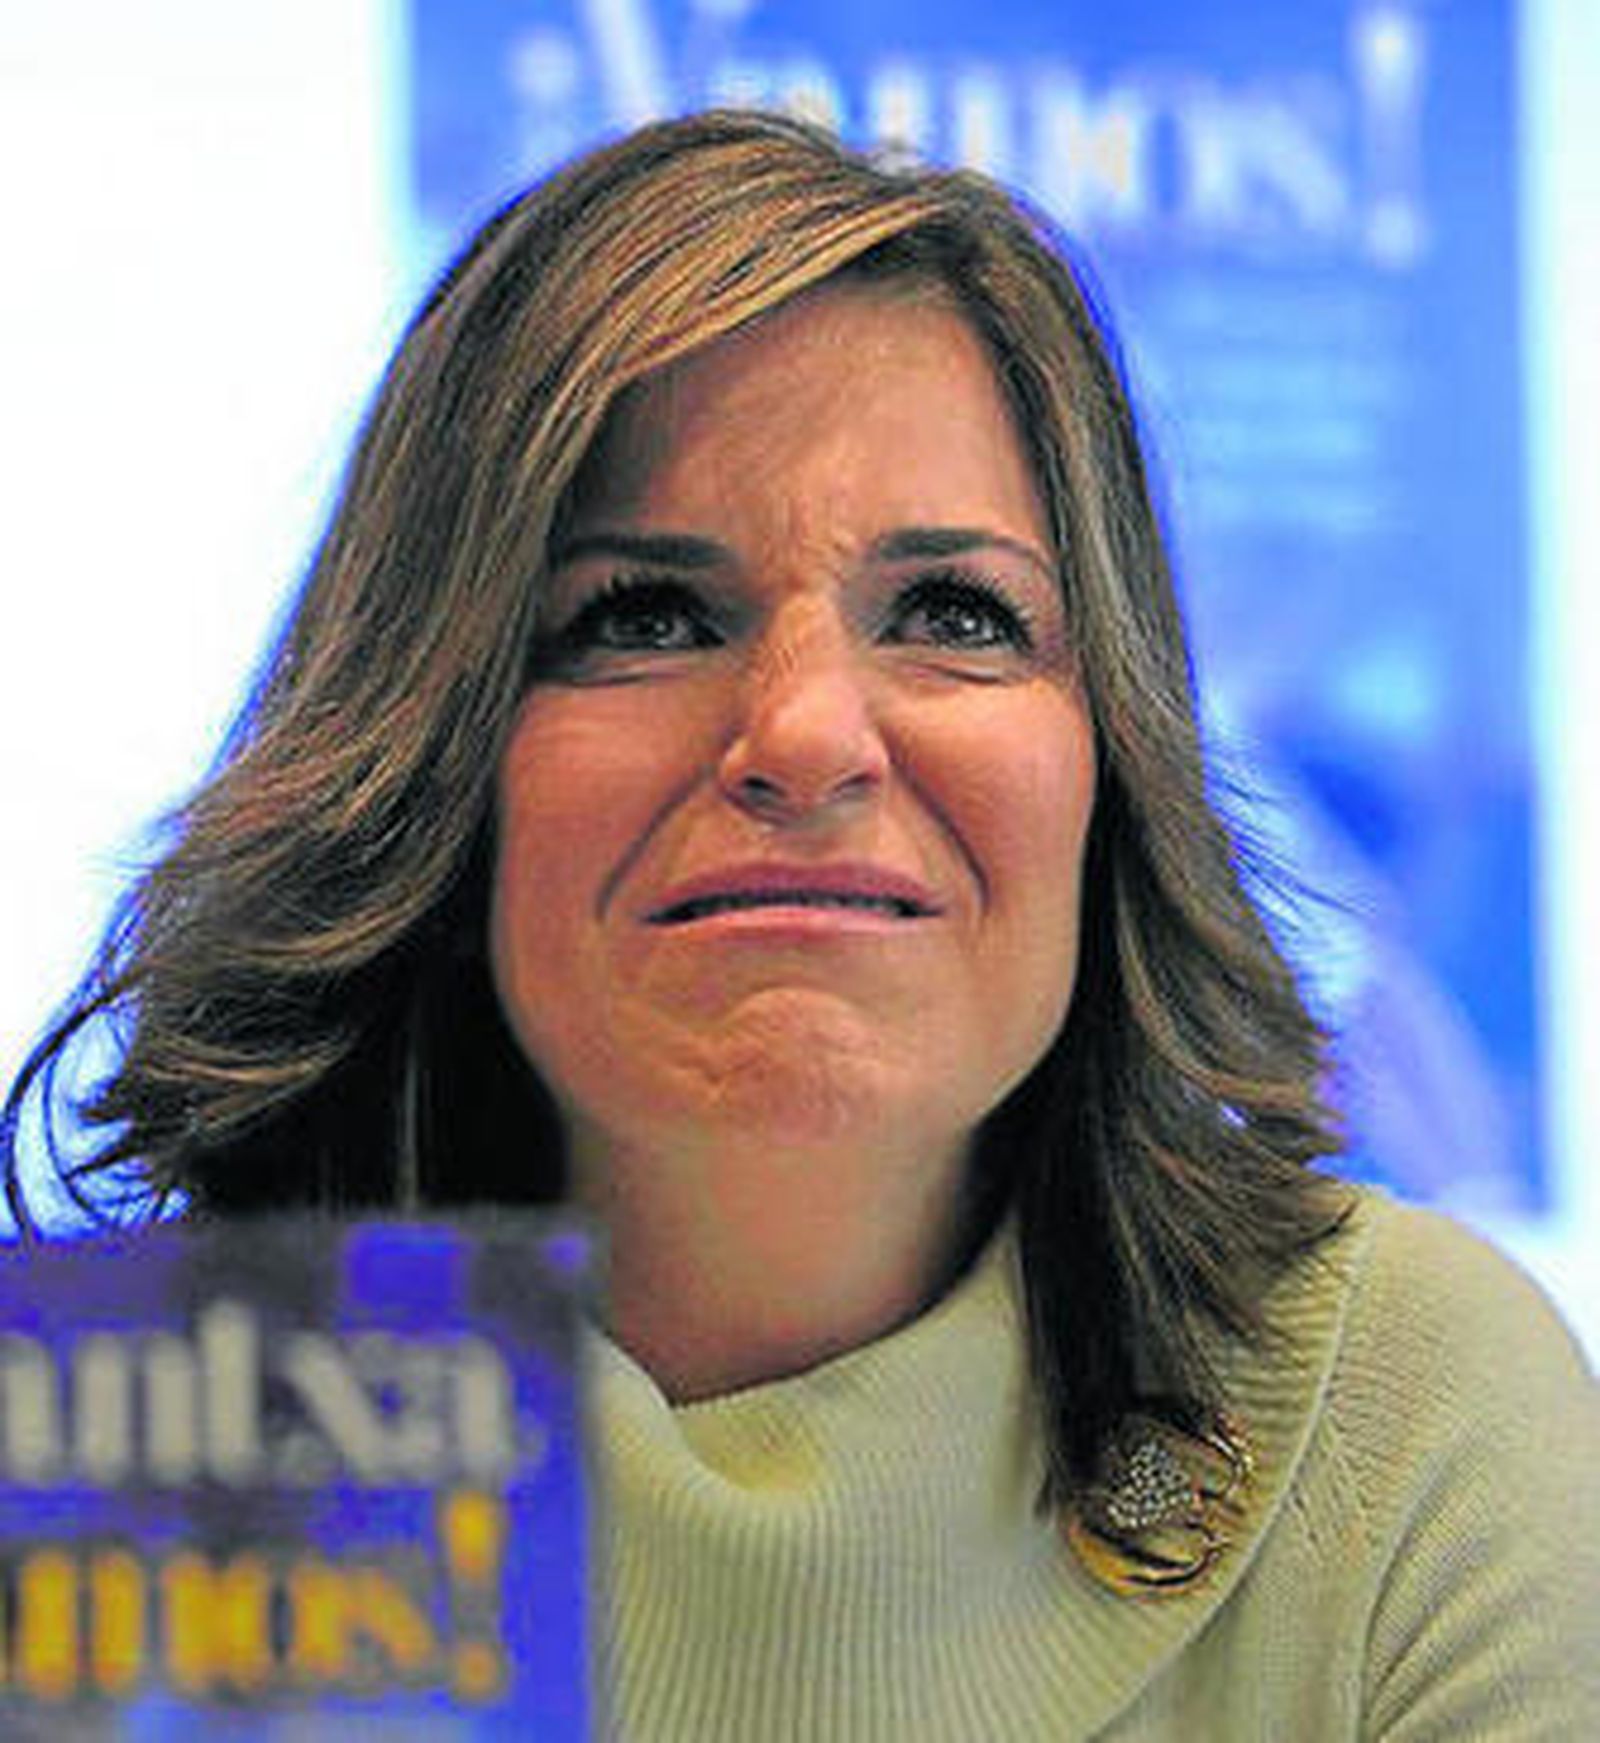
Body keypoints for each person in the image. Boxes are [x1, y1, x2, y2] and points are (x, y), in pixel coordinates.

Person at [4, 109, 1596, 1738]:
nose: (809, 734)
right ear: (434, 767)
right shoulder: (105, 1477)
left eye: (956, 614)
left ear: (1111, 769)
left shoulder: (1406, 1415)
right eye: (641, 616)